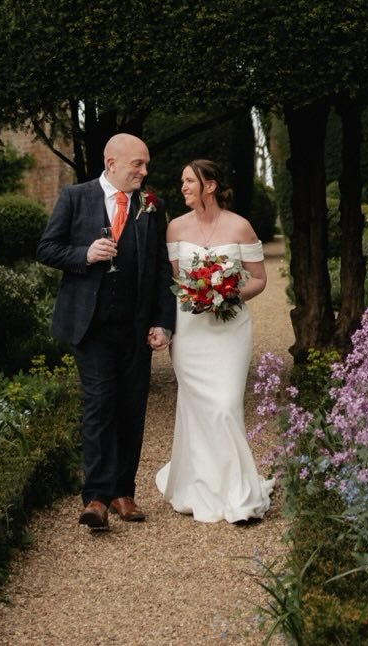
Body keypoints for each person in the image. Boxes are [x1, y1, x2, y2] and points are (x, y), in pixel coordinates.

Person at [36, 132, 175, 532]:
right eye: (138, 164)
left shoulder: (152, 206)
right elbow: (47, 248)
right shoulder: (74, 197)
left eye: (145, 164)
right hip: (91, 325)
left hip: (135, 328)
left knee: (132, 406)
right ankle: (95, 497)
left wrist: (164, 323)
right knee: (100, 403)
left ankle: (122, 493)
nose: (144, 172)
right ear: (111, 162)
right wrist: (84, 255)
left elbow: (161, 269)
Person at [155, 157, 274, 523]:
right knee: (197, 409)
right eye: (182, 181)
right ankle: (200, 484)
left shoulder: (240, 227)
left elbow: (258, 279)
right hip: (190, 332)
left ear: (210, 185)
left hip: (229, 329)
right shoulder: (174, 228)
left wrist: (227, 294)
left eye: (189, 181)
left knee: (224, 405)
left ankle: (239, 493)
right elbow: (173, 282)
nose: (183, 187)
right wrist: (181, 310)